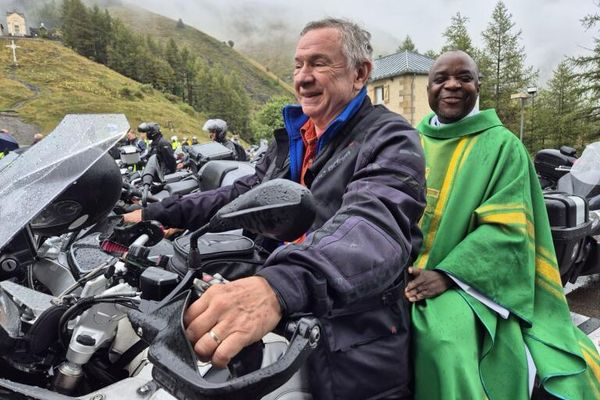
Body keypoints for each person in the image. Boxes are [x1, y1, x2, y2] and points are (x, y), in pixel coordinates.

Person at [124, 18, 426, 399]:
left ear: (360, 73)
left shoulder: (390, 137)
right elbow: (242, 193)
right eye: (298, 65)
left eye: (319, 63)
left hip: (355, 337)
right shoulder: (295, 139)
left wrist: (278, 286)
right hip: (287, 321)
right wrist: (157, 213)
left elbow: (373, 225)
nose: (303, 77)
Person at [405, 50, 600, 399]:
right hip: (400, 275)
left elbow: (507, 232)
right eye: (441, 79)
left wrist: (447, 275)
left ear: (478, 85)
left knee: (442, 341)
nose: (452, 85)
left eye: (464, 77)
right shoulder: (409, 143)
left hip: (466, 285)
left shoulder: (502, 147)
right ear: (429, 88)